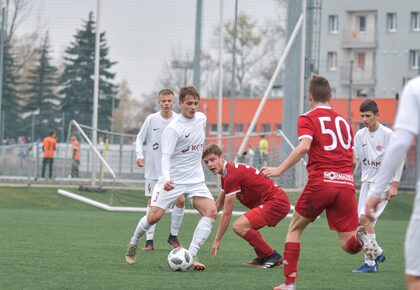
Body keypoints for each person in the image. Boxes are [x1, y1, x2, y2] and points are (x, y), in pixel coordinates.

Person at [261, 76, 372, 290]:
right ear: (331, 96)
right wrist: (344, 179)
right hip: (346, 183)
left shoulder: (308, 118)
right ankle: (363, 240)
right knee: (348, 245)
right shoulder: (344, 122)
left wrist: (278, 169)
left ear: (309, 97)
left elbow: (304, 147)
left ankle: (289, 284)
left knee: (295, 229)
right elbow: (352, 159)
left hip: (321, 182)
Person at [125, 86, 217, 271]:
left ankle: (191, 255)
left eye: (196, 104)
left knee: (211, 211)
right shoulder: (173, 129)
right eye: (189, 103)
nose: (193, 107)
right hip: (173, 180)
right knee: (153, 217)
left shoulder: (201, 119)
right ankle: (134, 242)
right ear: (180, 104)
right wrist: (166, 178)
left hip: (195, 179)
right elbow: (165, 157)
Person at [365, 76, 420, 290]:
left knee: (415, 277)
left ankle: (374, 258)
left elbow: (399, 145)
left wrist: (377, 191)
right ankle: (374, 256)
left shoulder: (415, 88)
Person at [202, 144, 290, 268]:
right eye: (206, 162)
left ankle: (272, 256)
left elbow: (227, 213)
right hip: (273, 201)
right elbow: (218, 205)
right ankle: (263, 257)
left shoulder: (231, 176)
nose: (210, 164)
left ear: (221, 157)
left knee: (239, 226)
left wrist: (217, 239)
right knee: (246, 226)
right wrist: (205, 222)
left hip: (276, 202)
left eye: (212, 160)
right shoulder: (226, 175)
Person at [352, 99, 404, 272]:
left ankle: (371, 261)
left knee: (364, 220)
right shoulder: (360, 135)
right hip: (366, 183)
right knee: (358, 227)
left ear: (377, 115)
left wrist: (394, 184)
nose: (365, 119)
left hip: (383, 183)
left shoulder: (389, 134)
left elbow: (399, 159)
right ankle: (376, 256)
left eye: (368, 116)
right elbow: (356, 160)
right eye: (362, 116)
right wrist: (347, 178)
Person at [135, 88, 185, 251]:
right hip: (153, 170)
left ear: (174, 102)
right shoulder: (151, 119)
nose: (166, 103)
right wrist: (139, 155)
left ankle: (173, 236)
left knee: (180, 200)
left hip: (173, 171)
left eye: (169, 101)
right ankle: (149, 241)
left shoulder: (179, 119)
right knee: (152, 204)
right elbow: (139, 138)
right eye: (163, 101)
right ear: (159, 102)